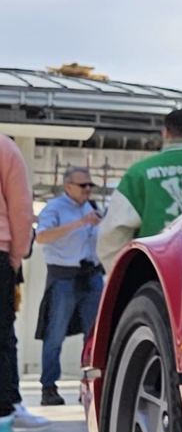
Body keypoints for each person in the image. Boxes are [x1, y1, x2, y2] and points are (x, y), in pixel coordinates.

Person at [98, 108, 182, 260]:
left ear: (165, 133)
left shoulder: (139, 172)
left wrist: (121, 274)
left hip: (153, 269)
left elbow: (114, 233)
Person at [30, 167, 104, 409]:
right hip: (64, 276)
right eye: (82, 185)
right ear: (68, 186)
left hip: (90, 276)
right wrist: (80, 223)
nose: (87, 189)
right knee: (54, 335)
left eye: (90, 185)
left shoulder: (92, 206)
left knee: (95, 335)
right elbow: (41, 237)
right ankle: (49, 387)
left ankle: (90, 386)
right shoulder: (55, 208)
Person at [0, 130, 33, 432]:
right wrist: (16, 255)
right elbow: (21, 208)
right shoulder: (5, 147)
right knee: (1, 336)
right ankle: (3, 417)